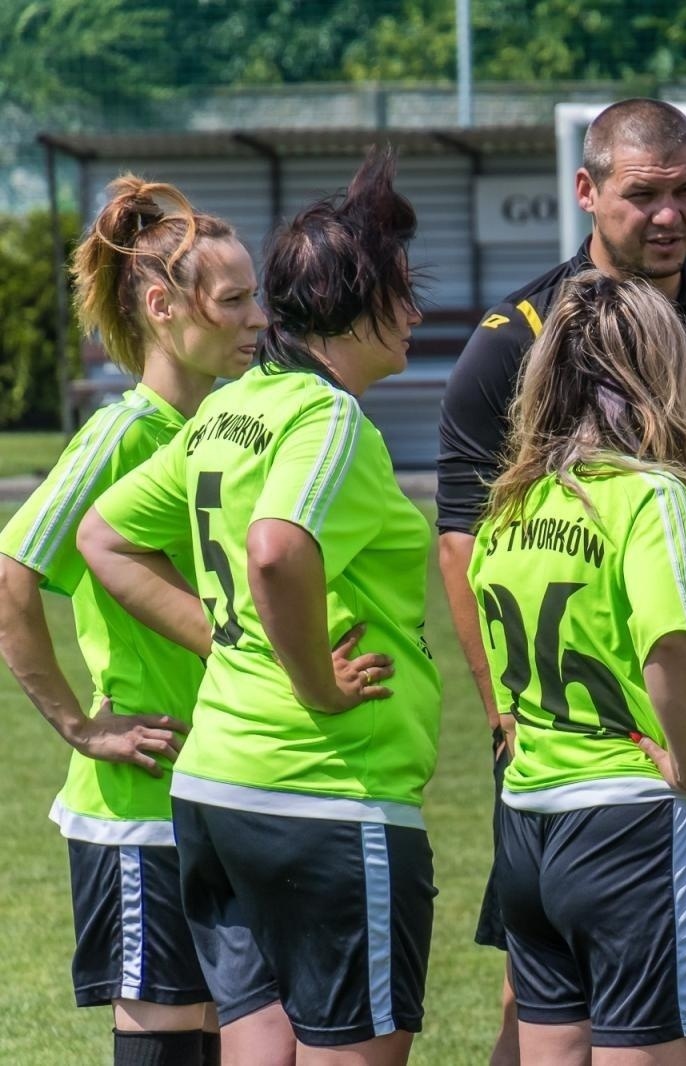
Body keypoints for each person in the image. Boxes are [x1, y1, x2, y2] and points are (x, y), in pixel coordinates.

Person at [437, 97, 686, 1066]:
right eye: (644, 194)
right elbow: (463, 542)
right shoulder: (514, 337)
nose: (669, 215)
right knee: (536, 1001)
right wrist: (502, 711)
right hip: (578, 722)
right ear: (587, 191)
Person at [78, 149, 439, 1066]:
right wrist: (314, 682)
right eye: (404, 293)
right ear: (359, 302)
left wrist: (230, 645)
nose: (417, 315)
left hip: (216, 791)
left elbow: (106, 539)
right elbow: (276, 550)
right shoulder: (327, 416)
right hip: (325, 789)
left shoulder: (229, 410)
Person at [0, 178, 261, 1066]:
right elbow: (11, 576)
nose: (257, 319)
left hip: (224, 786)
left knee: (231, 1030)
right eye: (235, 300)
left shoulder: (224, 430)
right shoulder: (119, 436)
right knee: (166, 1034)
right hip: (142, 806)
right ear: (162, 307)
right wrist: (80, 726)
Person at [470, 269, 686, 1066]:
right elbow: (669, 648)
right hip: (631, 822)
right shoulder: (650, 496)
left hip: (529, 824)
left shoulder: (509, 505)